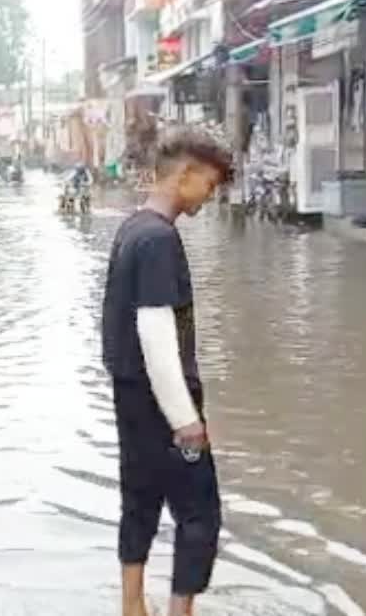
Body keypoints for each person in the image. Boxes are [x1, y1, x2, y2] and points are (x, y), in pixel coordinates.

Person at [101, 127, 233, 616]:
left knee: (140, 498)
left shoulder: (132, 228)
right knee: (200, 514)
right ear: (186, 175)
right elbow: (156, 336)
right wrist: (186, 422)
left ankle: (132, 605)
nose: (210, 196)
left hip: (129, 396)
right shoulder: (159, 239)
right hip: (162, 404)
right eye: (210, 185)